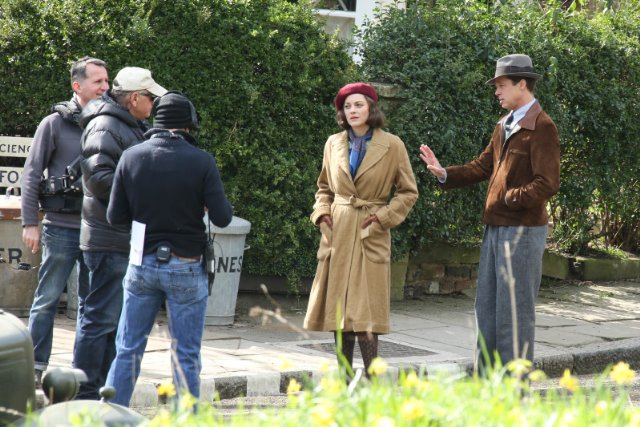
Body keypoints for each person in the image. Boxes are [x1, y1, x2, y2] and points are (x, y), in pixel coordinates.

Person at [419, 54, 560, 371]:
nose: (496, 91)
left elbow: (548, 183)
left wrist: (510, 198)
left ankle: (513, 386)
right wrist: (444, 173)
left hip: (523, 232)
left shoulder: (542, 127)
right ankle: (486, 384)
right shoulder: (504, 125)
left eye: (501, 85)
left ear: (522, 84)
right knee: (487, 308)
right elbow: (483, 167)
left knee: (515, 313)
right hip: (495, 227)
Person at [104, 92, 233, 406]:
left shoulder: (131, 157)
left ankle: (110, 417)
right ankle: (184, 418)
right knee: (185, 353)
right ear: (189, 123)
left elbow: (114, 217)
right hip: (186, 264)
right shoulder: (201, 161)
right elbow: (223, 218)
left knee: (128, 348)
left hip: (141, 265)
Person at [303, 82, 418, 379]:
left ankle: (373, 379)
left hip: (370, 229)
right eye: (347, 106)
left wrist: (382, 217)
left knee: (366, 312)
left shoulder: (392, 145)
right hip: (339, 231)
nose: (352, 111)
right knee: (340, 311)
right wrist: (322, 214)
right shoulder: (332, 143)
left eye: (358, 105)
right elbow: (324, 188)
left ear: (371, 108)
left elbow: (408, 191)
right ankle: (344, 380)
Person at [73, 66, 167, 399]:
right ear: (135, 98)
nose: (154, 103)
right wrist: (146, 195)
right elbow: (99, 179)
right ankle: (85, 394)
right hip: (108, 238)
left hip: (119, 238)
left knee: (110, 321)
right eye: (151, 97)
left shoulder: (128, 126)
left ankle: (103, 392)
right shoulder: (107, 125)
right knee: (99, 319)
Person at [21, 57, 109, 387]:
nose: (105, 87)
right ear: (77, 85)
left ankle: (82, 371)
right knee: (46, 299)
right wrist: (29, 222)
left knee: (90, 303)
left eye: (107, 81)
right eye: (98, 81)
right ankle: (34, 366)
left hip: (98, 230)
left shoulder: (109, 122)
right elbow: (32, 173)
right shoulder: (53, 124)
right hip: (60, 227)